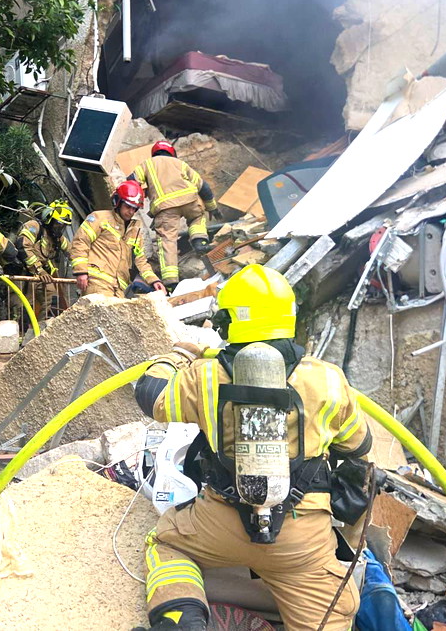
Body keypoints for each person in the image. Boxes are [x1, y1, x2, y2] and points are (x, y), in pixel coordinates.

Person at [132, 264, 374, 631]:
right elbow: (359, 448)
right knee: (331, 617)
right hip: (301, 539)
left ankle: (181, 620)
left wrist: (180, 353)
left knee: (166, 544)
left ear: (232, 321)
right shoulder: (328, 379)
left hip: (219, 523)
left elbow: (150, 395)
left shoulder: (206, 375)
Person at [128, 140, 219, 290]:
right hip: (190, 201)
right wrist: (212, 207)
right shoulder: (180, 164)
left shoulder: (148, 164)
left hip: (165, 208)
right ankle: (199, 241)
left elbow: (131, 181)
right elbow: (203, 186)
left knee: (167, 241)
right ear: (172, 153)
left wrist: (139, 195)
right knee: (198, 217)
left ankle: (171, 282)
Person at [69, 180, 165, 298]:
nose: (131, 211)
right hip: (97, 282)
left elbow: (140, 261)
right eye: (128, 206)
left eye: (134, 208)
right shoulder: (99, 218)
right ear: (118, 202)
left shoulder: (135, 231)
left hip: (119, 290)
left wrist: (154, 280)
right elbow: (80, 242)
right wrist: (81, 271)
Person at [16, 200, 73, 317]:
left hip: (40, 275)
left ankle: (41, 328)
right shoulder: (34, 226)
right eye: (58, 224)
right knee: (22, 306)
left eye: (63, 226)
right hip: (21, 273)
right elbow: (23, 246)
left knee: (51, 294)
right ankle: (19, 332)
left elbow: (73, 252)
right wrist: (39, 269)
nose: (60, 228)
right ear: (49, 219)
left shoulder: (57, 238)